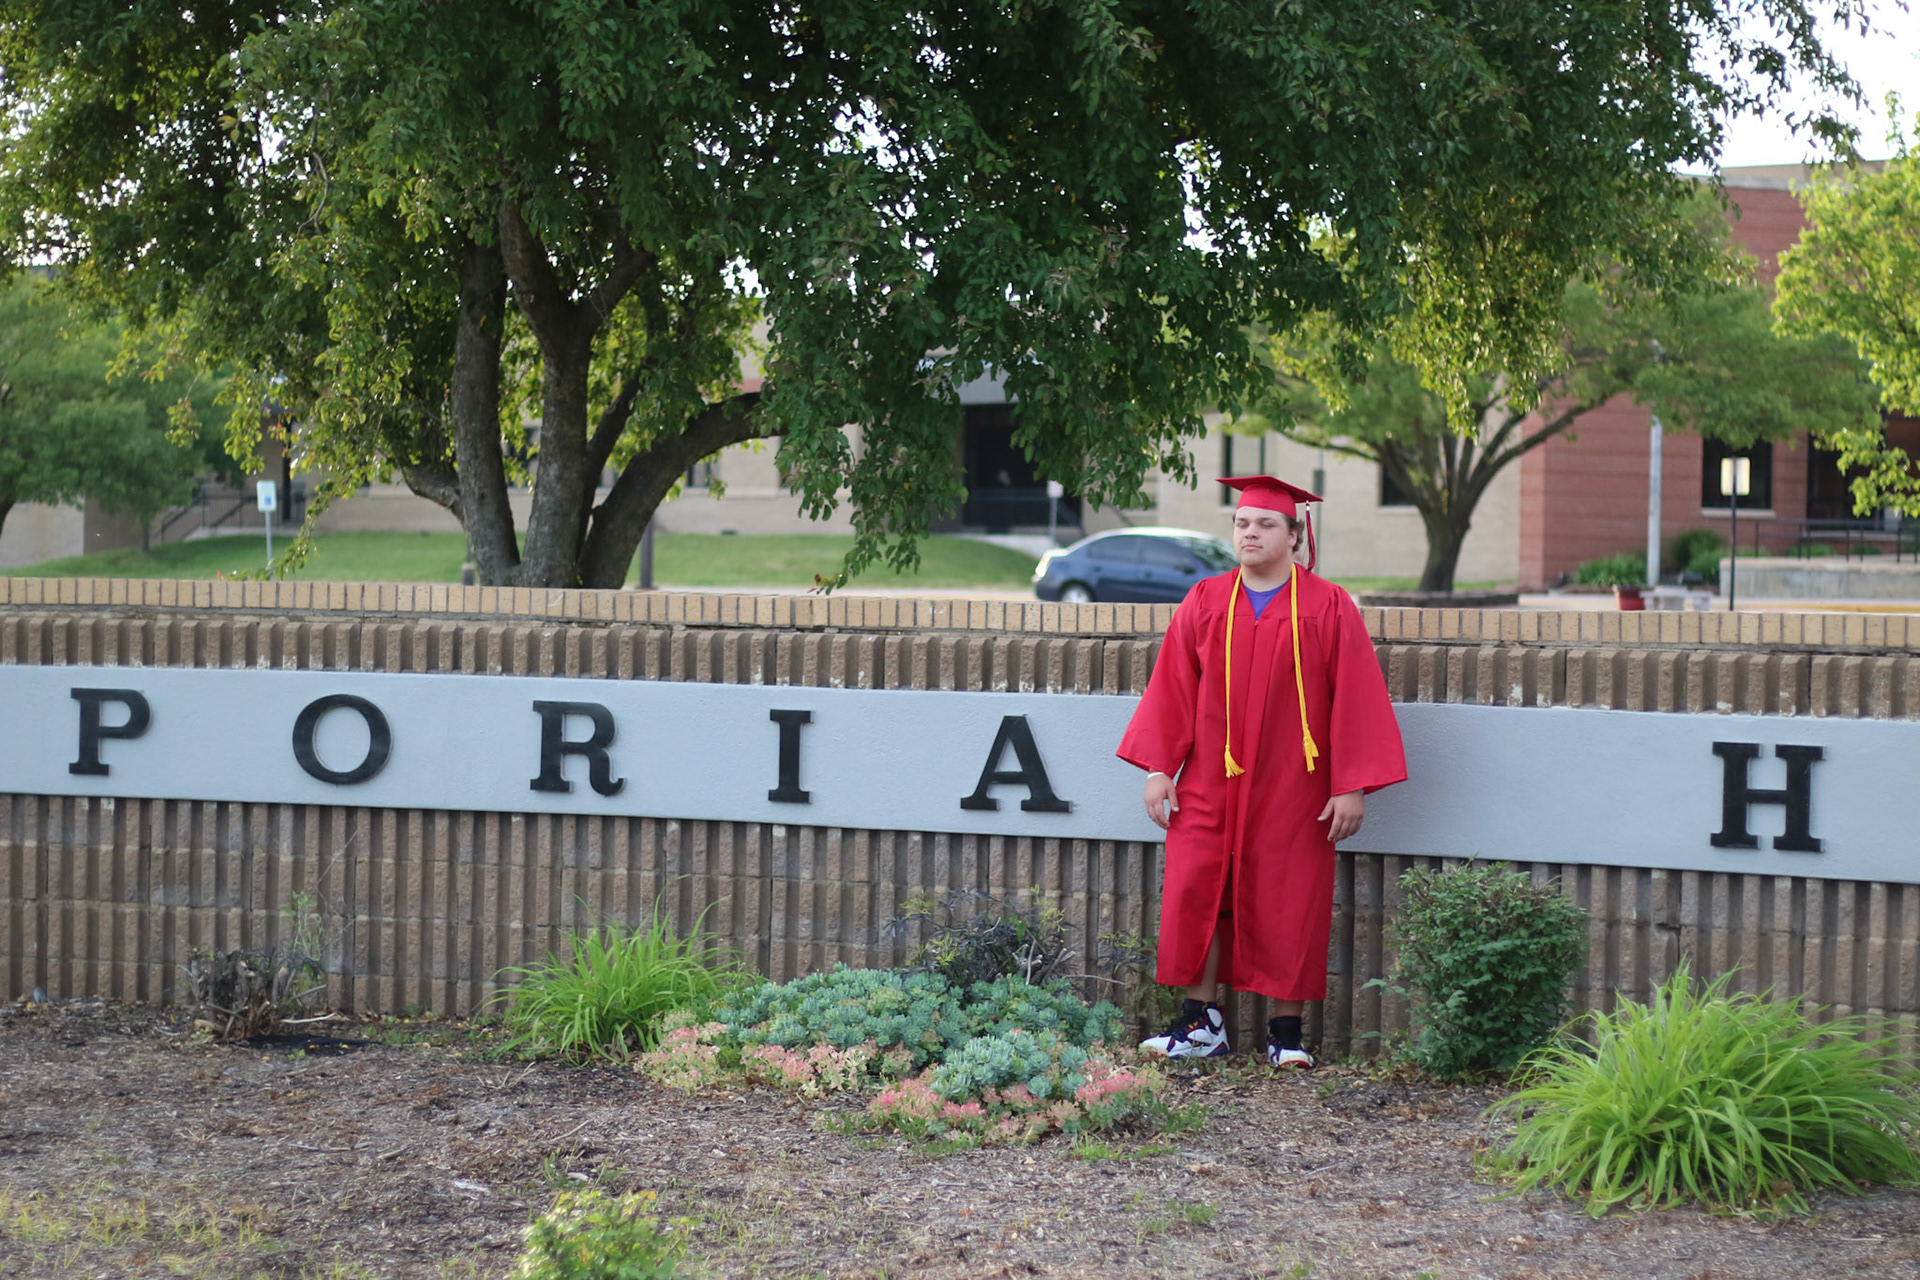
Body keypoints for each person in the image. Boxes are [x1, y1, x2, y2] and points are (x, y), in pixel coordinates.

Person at [1117, 475, 1407, 1068]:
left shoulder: (1328, 605)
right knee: (1199, 891)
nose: (1251, 532)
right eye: (1243, 523)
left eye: (1266, 524)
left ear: (1295, 535)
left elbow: (1355, 696)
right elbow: (1173, 687)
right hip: (1208, 779)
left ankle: (1286, 1033)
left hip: (1293, 784)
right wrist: (1157, 768)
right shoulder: (1205, 600)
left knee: (1289, 895)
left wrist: (1350, 783)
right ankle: (1201, 1024)